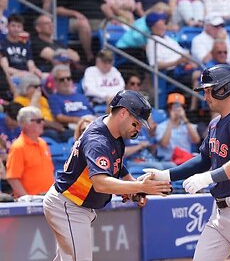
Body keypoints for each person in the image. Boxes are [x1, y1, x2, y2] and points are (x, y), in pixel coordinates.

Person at [143, 64, 230, 260]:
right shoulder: (215, 123)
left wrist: (207, 178)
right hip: (220, 213)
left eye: (209, 90)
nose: (205, 97)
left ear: (225, 89)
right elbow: (204, 159)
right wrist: (166, 175)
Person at [42, 90, 171, 261]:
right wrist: (141, 186)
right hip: (68, 205)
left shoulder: (111, 130)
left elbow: (115, 163)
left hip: (74, 204)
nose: (139, 128)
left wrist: (130, 183)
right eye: (136, 123)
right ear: (123, 113)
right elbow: (101, 183)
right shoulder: (98, 140)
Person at [6, 106, 54, 197]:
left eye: (42, 120)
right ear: (25, 124)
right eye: (38, 121)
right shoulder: (18, 147)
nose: (42, 123)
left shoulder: (43, 143)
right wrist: (27, 199)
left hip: (47, 200)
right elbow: (12, 178)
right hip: (31, 204)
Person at [155, 93, 201, 164]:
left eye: (179, 106)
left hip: (185, 160)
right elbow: (164, 143)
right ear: (169, 109)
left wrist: (184, 118)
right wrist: (171, 121)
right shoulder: (161, 126)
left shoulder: (188, 125)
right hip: (168, 161)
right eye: (172, 107)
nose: (176, 109)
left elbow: (196, 140)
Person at [47, 65, 94, 131]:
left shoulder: (81, 96)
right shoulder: (54, 98)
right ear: (55, 82)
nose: (66, 81)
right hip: (74, 126)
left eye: (68, 78)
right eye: (62, 79)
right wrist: (78, 120)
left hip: (91, 122)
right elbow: (59, 118)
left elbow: (93, 113)